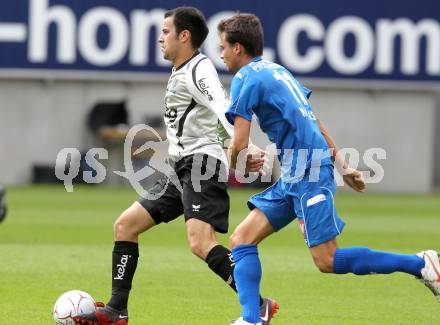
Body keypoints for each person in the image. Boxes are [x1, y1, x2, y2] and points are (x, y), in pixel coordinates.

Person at [217, 13, 440, 325]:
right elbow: (314, 120)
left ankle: (419, 264)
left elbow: (239, 140)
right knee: (242, 239)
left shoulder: (245, 78)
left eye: (223, 47)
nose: (221, 54)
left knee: (327, 259)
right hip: (298, 172)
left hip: (307, 170)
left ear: (238, 47)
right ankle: (252, 317)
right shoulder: (277, 71)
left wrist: (232, 164)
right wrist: (344, 165)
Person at [73, 7, 278, 325]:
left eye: (165, 31)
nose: (159, 37)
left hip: (202, 166)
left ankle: (258, 305)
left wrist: (246, 146)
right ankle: (116, 311)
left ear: (185, 36)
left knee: (200, 243)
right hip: (179, 168)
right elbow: (215, 117)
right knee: (125, 226)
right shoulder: (183, 71)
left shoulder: (199, 71)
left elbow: (225, 108)